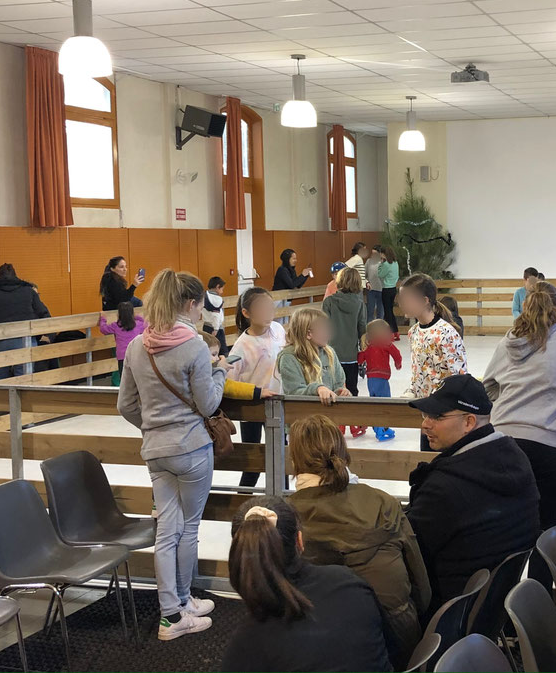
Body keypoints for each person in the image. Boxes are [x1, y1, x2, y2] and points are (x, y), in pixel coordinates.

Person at [117, 269, 225, 641]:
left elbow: (125, 405)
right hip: (192, 447)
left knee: (166, 531)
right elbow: (209, 403)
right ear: (191, 304)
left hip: (155, 450)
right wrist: (221, 372)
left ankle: (173, 610)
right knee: (188, 528)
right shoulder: (194, 345)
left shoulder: (137, 345)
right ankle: (179, 605)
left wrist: (152, 427)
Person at [288, 415, 430, 668]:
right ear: (344, 451)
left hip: (322, 649)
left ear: (294, 460)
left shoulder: (285, 516)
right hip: (400, 643)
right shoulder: (383, 501)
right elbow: (420, 583)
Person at [483, 287, 556, 590]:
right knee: (547, 527)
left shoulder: (508, 340)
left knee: (504, 523)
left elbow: (488, 385)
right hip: (546, 443)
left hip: (501, 442)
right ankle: (537, 597)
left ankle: (496, 603)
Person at [406, 374, 540, 609]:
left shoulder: (445, 488)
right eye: (425, 415)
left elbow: (405, 550)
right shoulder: (515, 457)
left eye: (436, 416)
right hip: (492, 607)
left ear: (469, 422)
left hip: (445, 610)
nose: (425, 424)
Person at [222, 496, 392, 673]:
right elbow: (391, 648)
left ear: (240, 551)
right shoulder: (350, 582)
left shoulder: (247, 643)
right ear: (300, 541)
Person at [397, 273, 468, 452]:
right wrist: (412, 392)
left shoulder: (446, 333)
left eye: (407, 298)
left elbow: (459, 377)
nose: (401, 303)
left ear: (424, 300)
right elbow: (418, 371)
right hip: (426, 414)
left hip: (446, 417)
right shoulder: (414, 332)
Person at [228, 287, 287, 488]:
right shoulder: (242, 345)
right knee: (252, 461)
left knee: (282, 457)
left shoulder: (279, 330)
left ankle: (284, 504)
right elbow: (229, 381)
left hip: (278, 404)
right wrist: (254, 393)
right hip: (252, 408)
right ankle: (242, 501)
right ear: (246, 313)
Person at [275, 307, 352, 406]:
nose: (328, 334)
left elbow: (339, 383)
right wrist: (317, 389)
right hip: (303, 416)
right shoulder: (289, 357)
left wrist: (341, 392)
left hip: (329, 415)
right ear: (308, 334)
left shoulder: (329, 352)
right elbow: (294, 391)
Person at [0, 263, 52, 381]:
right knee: (24, 377)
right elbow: (43, 313)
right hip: (25, 340)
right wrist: (47, 336)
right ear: (16, 276)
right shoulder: (28, 291)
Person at [322, 268, 367, 408]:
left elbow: (323, 326)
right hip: (351, 354)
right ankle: (354, 419)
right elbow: (362, 330)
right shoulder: (360, 304)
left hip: (331, 353)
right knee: (352, 388)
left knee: (332, 387)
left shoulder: (329, 302)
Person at [358, 319, 402, 441]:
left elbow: (360, 359)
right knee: (385, 403)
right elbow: (396, 353)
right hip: (382, 379)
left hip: (371, 380)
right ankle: (380, 428)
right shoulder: (385, 343)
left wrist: (362, 351)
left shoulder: (369, 346)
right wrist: (398, 363)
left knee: (375, 403)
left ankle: (382, 427)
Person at [200, 331, 275, 402]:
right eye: (213, 354)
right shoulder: (209, 374)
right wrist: (257, 392)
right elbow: (229, 387)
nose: (217, 358)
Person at [99, 302, 146, 386]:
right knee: (137, 378)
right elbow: (146, 324)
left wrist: (103, 318)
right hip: (136, 355)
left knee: (124, 379)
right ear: (132, 313)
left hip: (122, 356)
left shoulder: (116, 326)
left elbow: (103, 329)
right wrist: (137, 317)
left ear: (119, 314)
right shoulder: (138, 324)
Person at [378, 246, 401, 341]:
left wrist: (380, 265)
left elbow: (380, 274)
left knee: (387, 312)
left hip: (386, 289)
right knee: (390, 311)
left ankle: (390, 333)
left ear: (384, 254)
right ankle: (396, 332)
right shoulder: (395, 263)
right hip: (393, 288)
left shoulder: (386, 264)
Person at [200, 276, 228, 356]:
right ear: (217, 287)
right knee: (222, 348)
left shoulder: (204, 296)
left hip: (206, 326)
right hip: (215, 328)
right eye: (222, 289)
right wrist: (216, 328)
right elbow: (216, 315)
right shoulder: (216, 299)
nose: (222, 292)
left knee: (209, 347)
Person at [366, 245, 384, 321]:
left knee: (381, 311)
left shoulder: (384, 262)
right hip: (371, 289)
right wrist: (367, 282)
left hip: (382, 290)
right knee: (370, 310)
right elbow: (364, 275)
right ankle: (369, 328)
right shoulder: (369, 261)